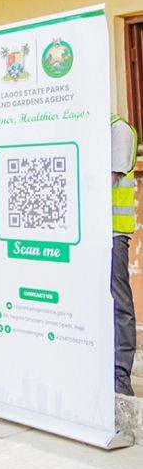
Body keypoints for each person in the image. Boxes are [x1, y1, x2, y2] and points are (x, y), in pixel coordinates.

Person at [111, 114, 139, 397]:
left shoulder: (118, 130)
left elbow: (105, 181)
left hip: (112, 234)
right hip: (85, 237)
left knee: (118, 303)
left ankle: (121, 377)